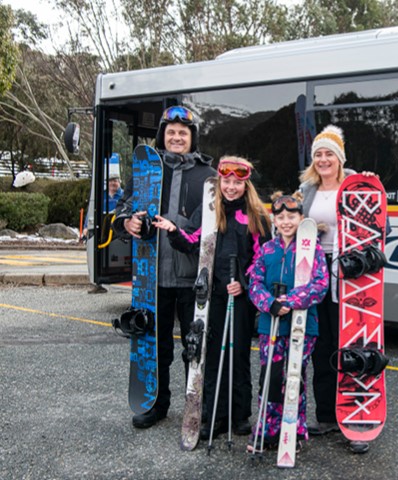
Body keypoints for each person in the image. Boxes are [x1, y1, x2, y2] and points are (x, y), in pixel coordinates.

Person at [112, 105, 216, 429]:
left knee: (194, 346)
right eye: (170, 132)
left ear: (191, 138)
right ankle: (155, 404)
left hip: (190, 278)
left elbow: (208, 227)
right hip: (151, 277)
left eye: (182, 133)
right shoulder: (146, 171)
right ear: (163, 136)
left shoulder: (206, 176)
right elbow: (121, 209)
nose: (176, 137)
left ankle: (195, 406)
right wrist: (124, 222)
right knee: (154, 346)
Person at [153, 156, 272, 438]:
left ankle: (239, 414)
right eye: (226, 182)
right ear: (220, 183)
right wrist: (174, 232)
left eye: (237, 182)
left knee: (239, 353)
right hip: (213, 294)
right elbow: (195, 241)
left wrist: (243, 284)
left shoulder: (255, 215)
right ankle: (213, 414)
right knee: (214, 354)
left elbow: (261, 257)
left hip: (239, 295)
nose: (231, 187)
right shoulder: (209, 210)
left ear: (246, 184)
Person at [299, 124, 379, 454]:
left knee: (351, 344)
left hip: (351, 273)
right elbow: (292, 226)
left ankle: (356, 419)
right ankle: (327, 415)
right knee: (321, 345)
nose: (323, 159)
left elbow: (380, 226)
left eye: (329, 153)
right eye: (318, 154)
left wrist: (371, 190)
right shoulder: (306, 189)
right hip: (315, 270)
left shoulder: (356, 184)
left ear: (340, 158)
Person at [246, 192, 328, 452]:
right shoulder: (267, 249)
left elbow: (320, 285)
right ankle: (268, 430)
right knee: (271, 377)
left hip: (303, 325)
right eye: (280, 217)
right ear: (274, 220)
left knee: (294, 377)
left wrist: (289, 300)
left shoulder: (313, 248)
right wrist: (269, 303)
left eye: (291, 216)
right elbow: (254, 282)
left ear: (301, 218)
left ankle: (294, 428)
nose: (286, 222)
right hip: (270, 324)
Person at [87, 173, 124, 293]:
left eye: (115, 181)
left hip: (117, 230)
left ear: (119, 182)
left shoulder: (123, 195)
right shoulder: (100, 194)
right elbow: (92, 211)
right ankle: (98, 283)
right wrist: (86, 226)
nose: (113, 183)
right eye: (111, 181)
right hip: (102, 229)